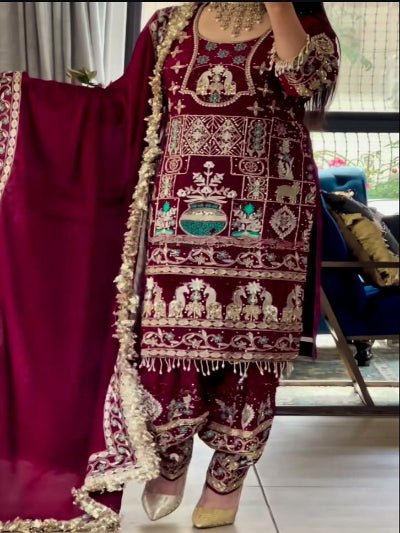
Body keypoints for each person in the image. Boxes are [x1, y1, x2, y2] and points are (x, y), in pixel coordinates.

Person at [0, 2, 339, 530]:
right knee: (167, 345)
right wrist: (24, 100)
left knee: (250, 352)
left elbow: (305, 79)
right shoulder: (168, 25)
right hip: (175, 215)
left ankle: (227, 477)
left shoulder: (304, 22)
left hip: (267, 218)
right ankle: (170, 457)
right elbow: (120, 109)